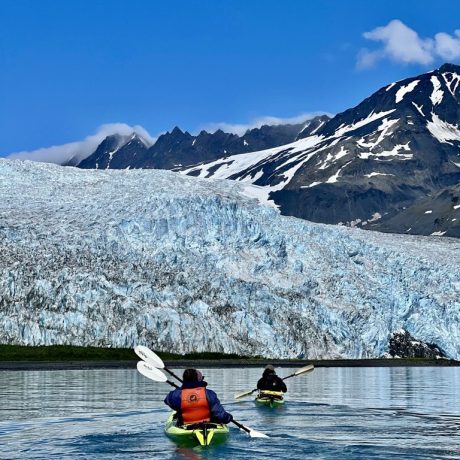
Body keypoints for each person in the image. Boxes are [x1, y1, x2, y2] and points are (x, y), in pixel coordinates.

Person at [164, 368, 233, 426]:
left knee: (177, 414)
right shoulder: (209, 394)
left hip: (185, 426)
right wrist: (229, 417)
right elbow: (220, 416)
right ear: (198, 379)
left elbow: (166, 401)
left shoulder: (176, 394)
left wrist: (180, 389)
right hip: (208, 426)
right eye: (202, 378)